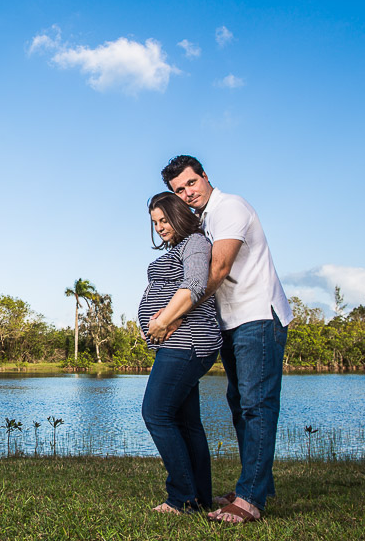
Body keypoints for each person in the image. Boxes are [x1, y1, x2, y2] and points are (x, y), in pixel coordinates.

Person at [155, 155, 293, 525]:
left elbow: (217, 269)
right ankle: (254, 485)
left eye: (190, 183)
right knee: (239, 404)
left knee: (256, 405)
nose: (187, 193)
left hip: (257, 316)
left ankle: (250, 499)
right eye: (179, 190)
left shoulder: (229, 207)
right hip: (231, 322)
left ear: (205, 176)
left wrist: (175, 315)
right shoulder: (200, 221)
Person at [138, 192, 222, 514]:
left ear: (179, 214)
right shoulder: (178, 248)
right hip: (177, 344)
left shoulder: (195, 243)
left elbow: (196, 284)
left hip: (187, 343)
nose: (159, 227)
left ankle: (181, 497)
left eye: (164, 219)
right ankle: (200, 497)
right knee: (187, 424)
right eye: (155, 222)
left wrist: (163, 321)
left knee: (155, 413)